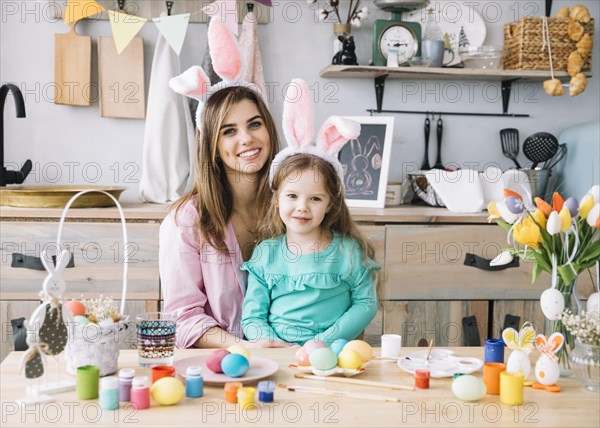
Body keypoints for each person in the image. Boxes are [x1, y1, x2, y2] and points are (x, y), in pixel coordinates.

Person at [159, 19, 288, 349]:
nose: (247, 139)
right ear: (212, 145)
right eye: (229, 131)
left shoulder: (292, 203)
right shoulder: (186, 221)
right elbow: (182, 317)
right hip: (219, 368)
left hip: (295, 357)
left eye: (254, 124)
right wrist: (241, 347)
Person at [240, 79, 381, 345]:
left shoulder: (348, 251)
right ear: (277, 198)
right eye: (292, 196)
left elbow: (365, 304)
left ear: (330, 203)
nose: (302, 207)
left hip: (332, 351)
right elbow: (252, 317)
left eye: (315, 198)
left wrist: (324, 342)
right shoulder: (266, 254)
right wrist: (271, 344)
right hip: (276, 353)